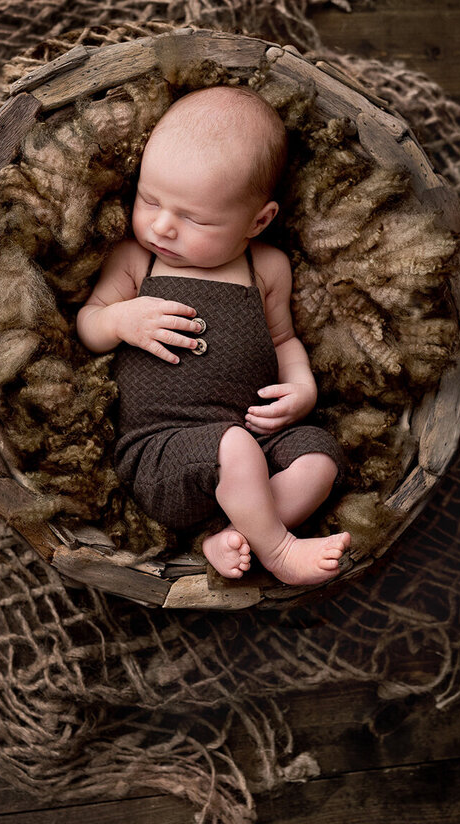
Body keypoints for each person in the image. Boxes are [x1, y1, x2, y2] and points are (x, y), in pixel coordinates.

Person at [77, 85, 349, 586]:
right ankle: (280, 550)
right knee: (233, 447)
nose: (162, 226)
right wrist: (120, 320)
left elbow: (284, 340)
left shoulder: (266, 266)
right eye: (150, 200)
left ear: (258, 221)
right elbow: (89, 324)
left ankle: (231, 534)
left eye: (195, 218)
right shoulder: (138, 261)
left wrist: (302, 389)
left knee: (318, 458)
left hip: (253, 448)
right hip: (161, 454)